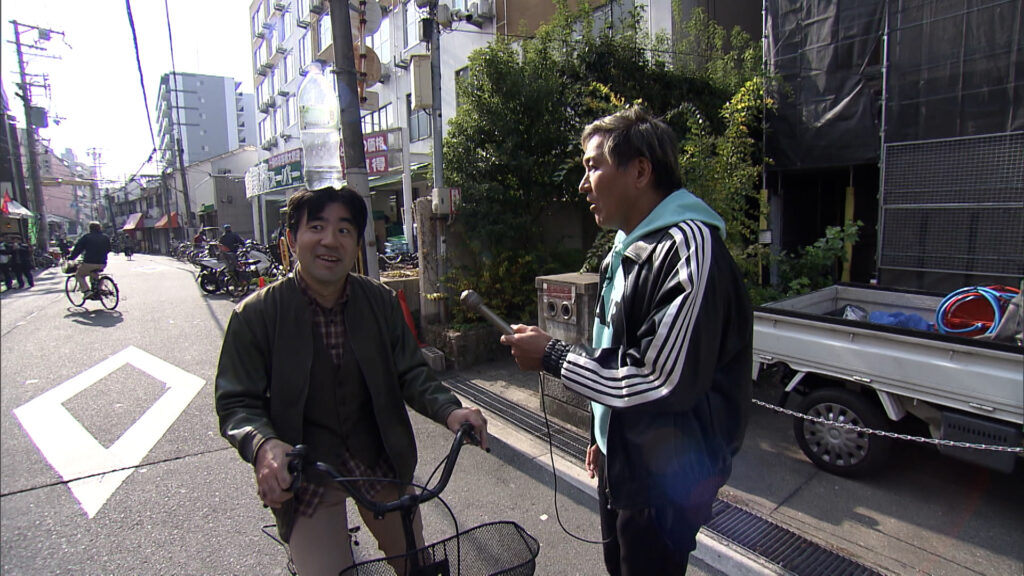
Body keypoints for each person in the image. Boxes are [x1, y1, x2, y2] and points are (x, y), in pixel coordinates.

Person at [500, 107, 753, 576]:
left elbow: (658, 377)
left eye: (593, 166)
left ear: (639, 171)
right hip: (625, 459)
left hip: (665, 481)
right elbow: (614, 345)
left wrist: (552, 355)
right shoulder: (625, 247)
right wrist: (603, 434)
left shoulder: (688, 247)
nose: (583, 185)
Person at [215, 186, 488, 576]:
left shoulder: (380, 301)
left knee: (416, 565)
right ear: (291, 239)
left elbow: (411, 372)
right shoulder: (255, 316)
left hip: (378, 458)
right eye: (317, 227)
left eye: (344, 230)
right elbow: (237, 402)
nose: (330, 240)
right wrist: (264, 445)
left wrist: (450, 411)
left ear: (357, 243)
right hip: (308, 474)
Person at [69, 222, 112, 296]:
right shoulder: (105, 237)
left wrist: (71, 257)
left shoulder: (86, 237)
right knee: (94, 273)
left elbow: (78, 249)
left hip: (89, 262)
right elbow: (109, 249)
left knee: (79, 275)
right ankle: (98, 289)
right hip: (102, 263)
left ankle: (86, 291)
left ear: (90, 228)